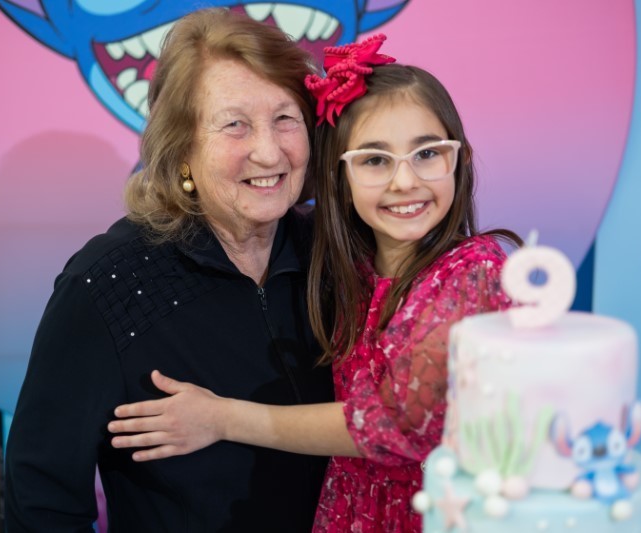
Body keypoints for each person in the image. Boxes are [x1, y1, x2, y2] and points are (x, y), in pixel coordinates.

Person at [109, 34, 522, 532]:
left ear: (461, 158)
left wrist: (223, 419)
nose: (405, 181)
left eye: (427, 154)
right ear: (338, 179)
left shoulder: (472, 272)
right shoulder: (347, 272)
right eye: (374, 160)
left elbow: (399, 423)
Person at [3, 8, 333, 532]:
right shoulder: (109, 283)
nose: (269, 151)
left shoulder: (337, 258)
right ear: (181, 149)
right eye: (235, 125)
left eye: (284, 118)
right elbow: (40, 499)